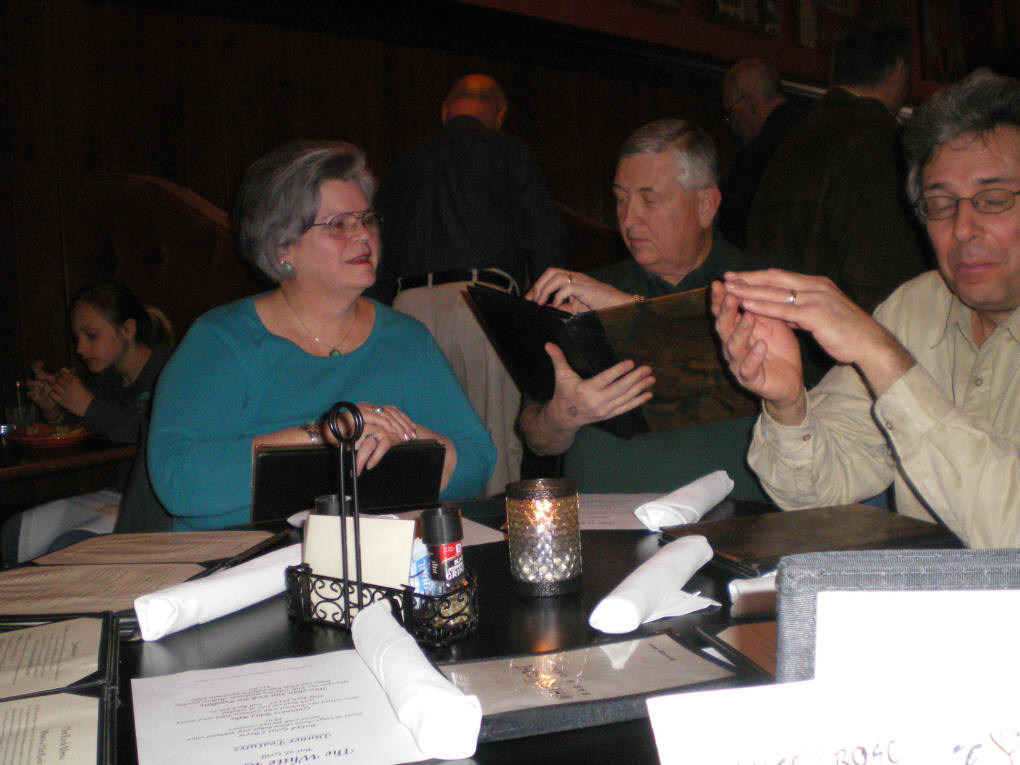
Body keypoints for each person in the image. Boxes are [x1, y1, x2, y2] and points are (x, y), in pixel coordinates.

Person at [712, 69, 1020, 549]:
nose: (962, 228)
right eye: (940, 204)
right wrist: (788, 405)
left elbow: (1009, 532)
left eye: (993, 199)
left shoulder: (890, 334)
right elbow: (817, 491)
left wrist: (881, 355)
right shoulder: (915, 307)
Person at [147, 140, 495, 530]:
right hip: (244, 557)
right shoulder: (222, 340)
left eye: (366, 219)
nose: (362, 235)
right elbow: (178, 482)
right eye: (338, 224)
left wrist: (405, 437)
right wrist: (325, 435)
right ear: (282, 246)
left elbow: (478, 461)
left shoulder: (406, 339)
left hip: (379, 554)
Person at [516, 119, 766, 499]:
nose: (628, 219)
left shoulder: (760, 288)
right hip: (600, 524)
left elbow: (722, 369)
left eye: (649, 199)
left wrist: (627, 311)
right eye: (620, 199)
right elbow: (537, 438)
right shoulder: (584, 292)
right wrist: (564, 415)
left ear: (705, 205)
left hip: (730, 522)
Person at [373, 74, 568, 496]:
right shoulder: (510, 152)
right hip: (483, 309)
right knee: (493, 443)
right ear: (500, 114)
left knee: (414, 445)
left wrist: (375, 321)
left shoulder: (405, 162)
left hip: (405, 312)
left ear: (446, 111)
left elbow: (376, 248)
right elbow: (546, 239)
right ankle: (496, 532)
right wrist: (547, 323)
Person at [746, 10, 927, 316]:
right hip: (853, 333)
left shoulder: (792, 139)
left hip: (777, 328)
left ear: (836, 69)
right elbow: (887, 278)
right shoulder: (885, 144)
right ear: (899, 69)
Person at [1, 281, 173, 564]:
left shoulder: (171, 369)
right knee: (14, 532)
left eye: (91, 335)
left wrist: (88, 406)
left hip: (159, 501)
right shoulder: (108, 377)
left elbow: (156, 435)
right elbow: (94, 430)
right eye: (77, 337)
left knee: (68, 548)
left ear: (127, 330)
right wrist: (55, 411)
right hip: (119, 493)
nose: (80, 348)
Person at [717, 58, 804, 249]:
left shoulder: (757, 155)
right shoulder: (811, 131)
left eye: (730, 113)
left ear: (751, 103)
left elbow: (734, 227)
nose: (732, 126)